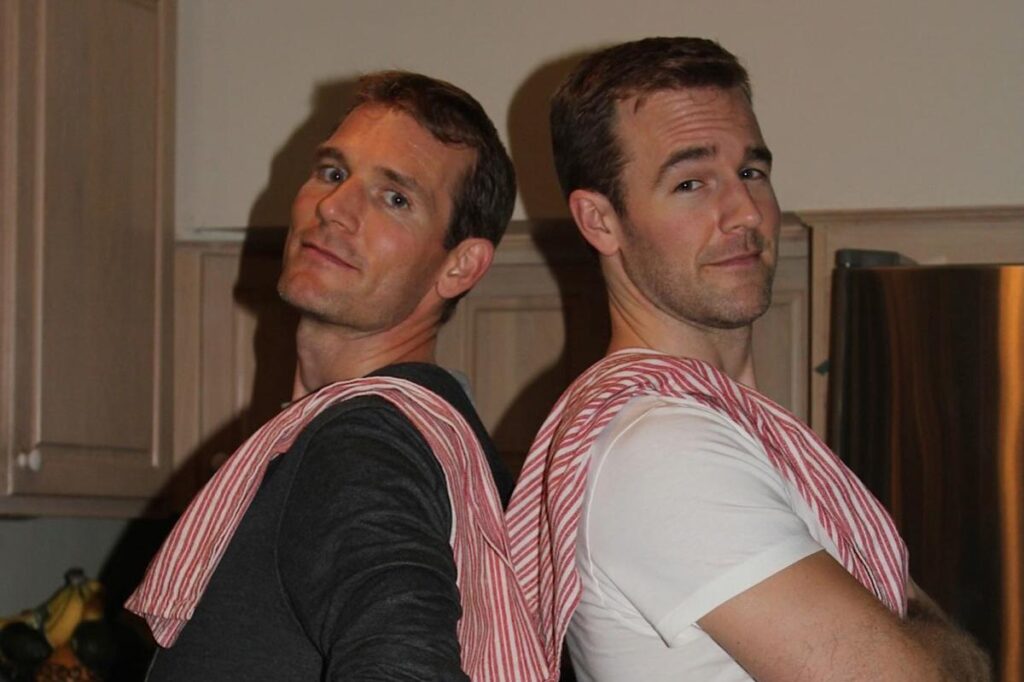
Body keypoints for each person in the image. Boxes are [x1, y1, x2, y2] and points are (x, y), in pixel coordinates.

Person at [505, 37, 991, 681]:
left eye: (752, 172)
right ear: (600, 221)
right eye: (690, 183)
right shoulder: (662, 449)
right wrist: (929, 632)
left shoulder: (734, 430)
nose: (744, 212)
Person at [127, 71, 545, 681]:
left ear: (460, 267)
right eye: (332, 172)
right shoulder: (415, 432)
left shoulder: (364, 445)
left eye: (394, 198)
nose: (334, 208)